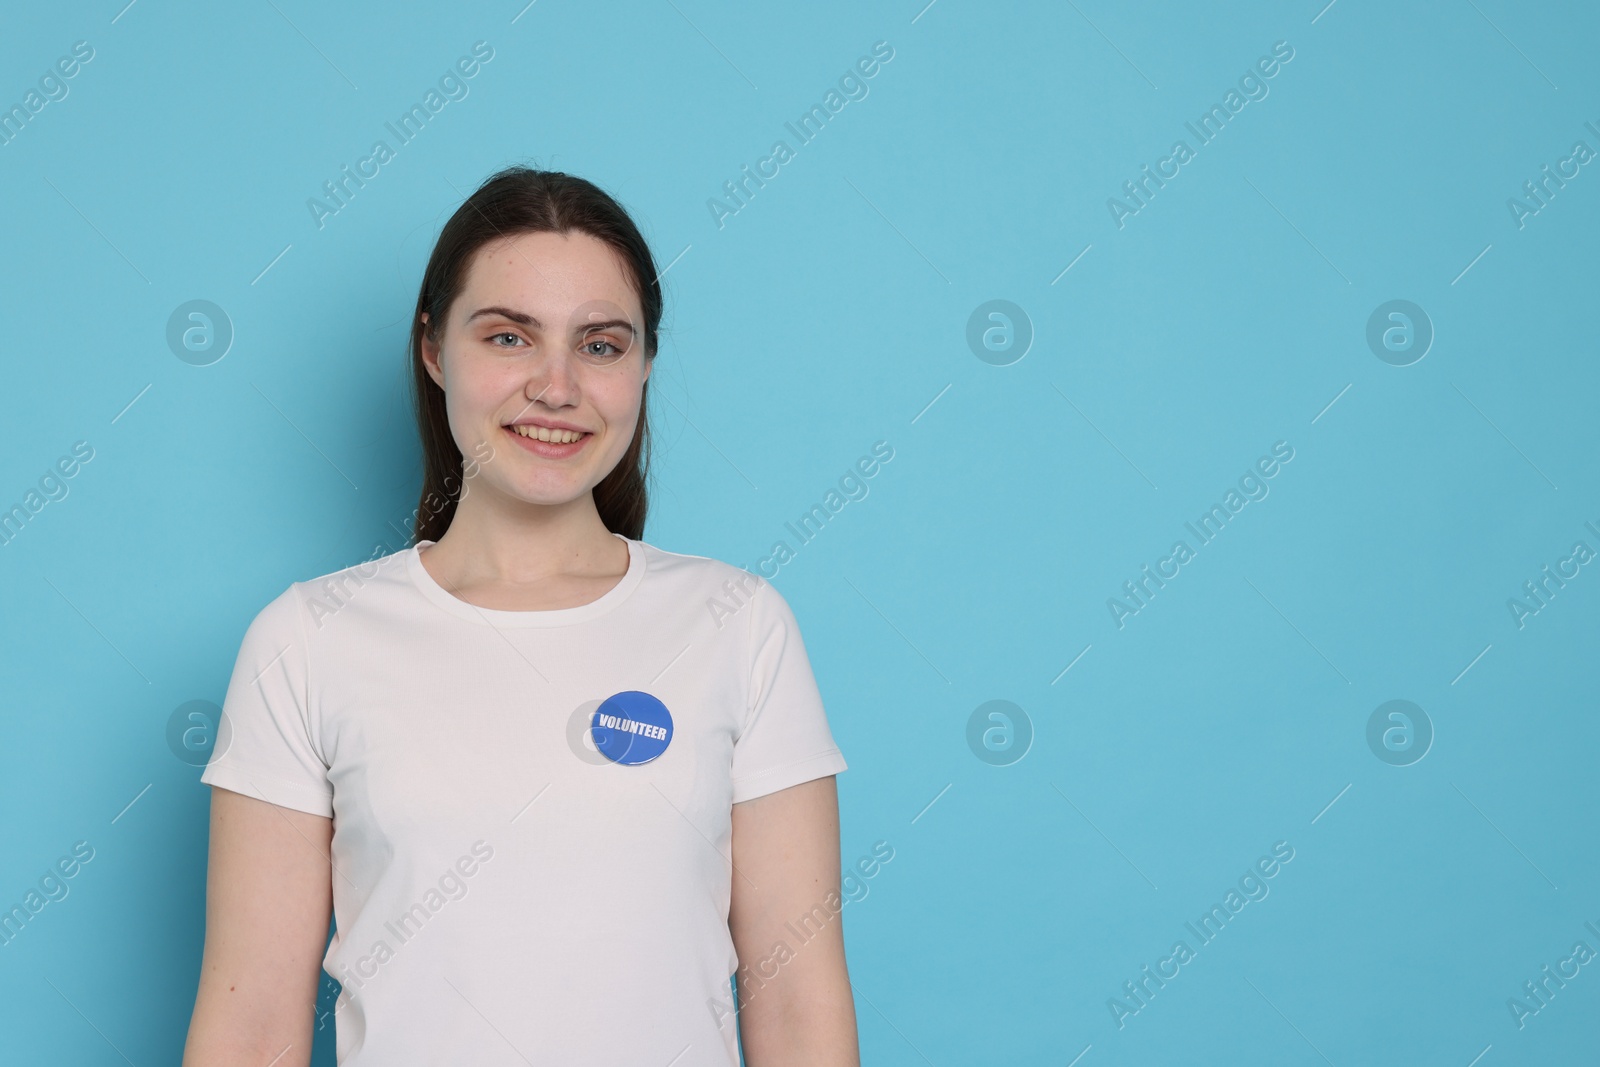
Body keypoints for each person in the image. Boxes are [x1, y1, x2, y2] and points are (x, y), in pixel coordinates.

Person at [181, 166, 859, 1066]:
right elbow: (253, 1021)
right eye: (509, 336)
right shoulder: (308, 639)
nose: (556, 384)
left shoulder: (738, 624)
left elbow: (800, 1006)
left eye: (602, 345)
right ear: (433, 349)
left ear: (645, 364)